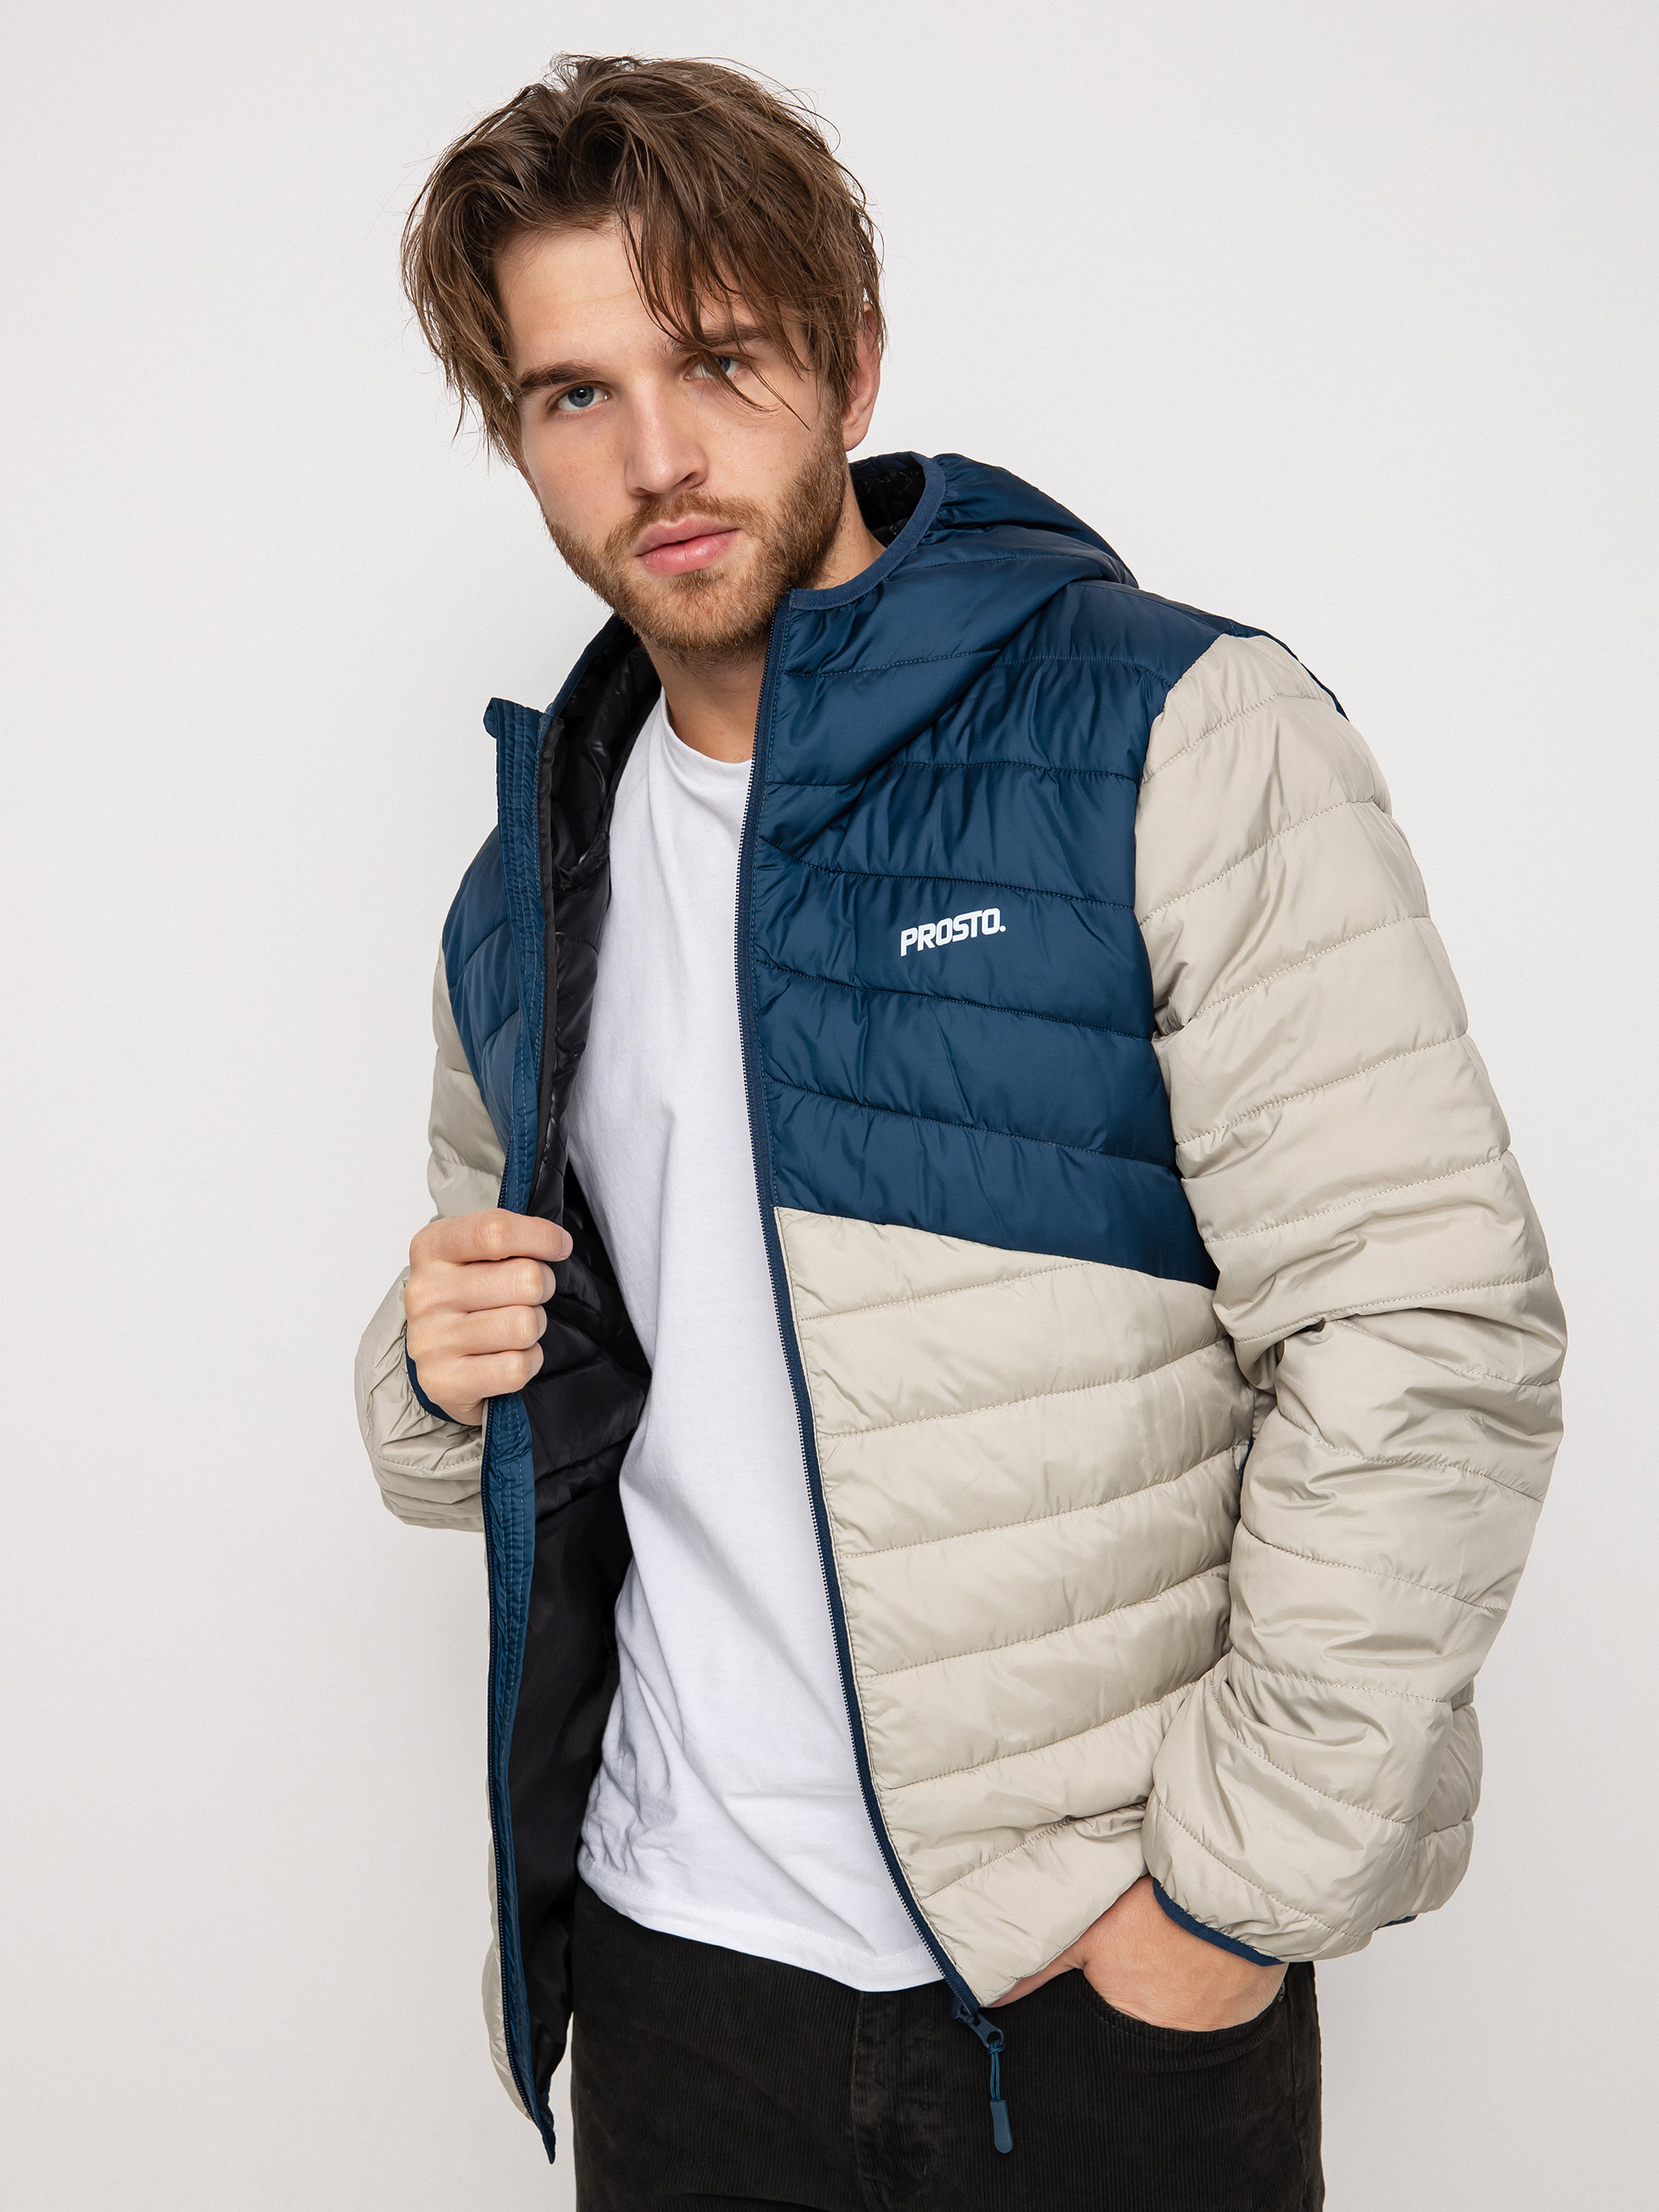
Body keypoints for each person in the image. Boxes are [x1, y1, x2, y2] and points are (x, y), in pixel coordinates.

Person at [355, 53, 1565, 2211]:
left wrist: (1225, 1901)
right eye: (575, 393)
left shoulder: (1175, 729)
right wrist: (426, 1369)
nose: (658, 455)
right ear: (515, 432)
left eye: (719, 359)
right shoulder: (533, 872)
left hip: (1085, 1983)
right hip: (676, 1973)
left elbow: (1426, 1329)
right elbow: (545, 1403)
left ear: (850, 358)